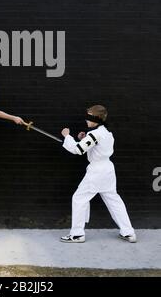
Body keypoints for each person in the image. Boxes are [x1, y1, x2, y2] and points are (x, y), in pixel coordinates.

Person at [60, 104, 136, 243]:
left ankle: (77, 234)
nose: (86, 120)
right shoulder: (106, 132)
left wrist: (67, 137)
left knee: (79, 198)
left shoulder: (95, 134)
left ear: (96, 118)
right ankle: (129, 232)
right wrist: (83, 138)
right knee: (114, 200)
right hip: (108, 169)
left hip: (97, 171)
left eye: (89, 117)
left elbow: (78, 150)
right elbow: (93, 146)